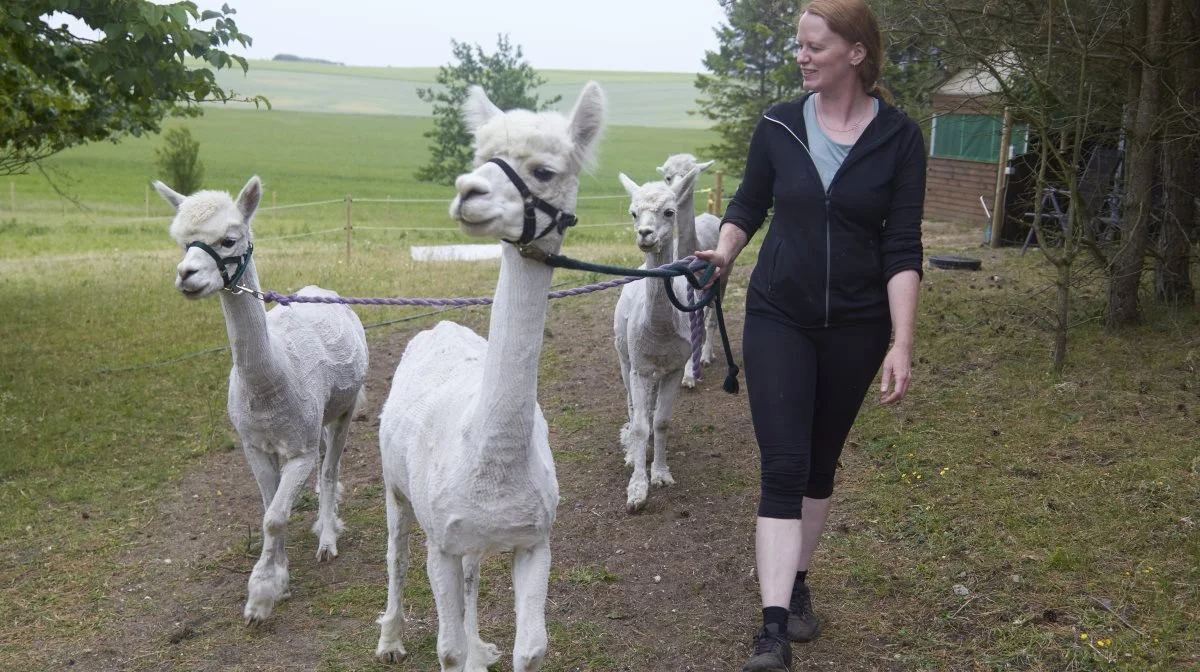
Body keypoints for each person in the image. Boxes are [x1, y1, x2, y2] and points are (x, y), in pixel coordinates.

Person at [694, 1, 925, 669]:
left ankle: (795, 583)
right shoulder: (777, 124)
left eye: (815, 46)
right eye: (799, 45)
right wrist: (727, 252)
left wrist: (901, 342)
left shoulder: (900, 139)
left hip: (857, 324)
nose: (801, 56)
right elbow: (748, 203)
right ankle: (772, 631)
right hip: (778, 316)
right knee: (784, 465)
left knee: (819, 467)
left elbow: (902, 247)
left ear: (856, 53)